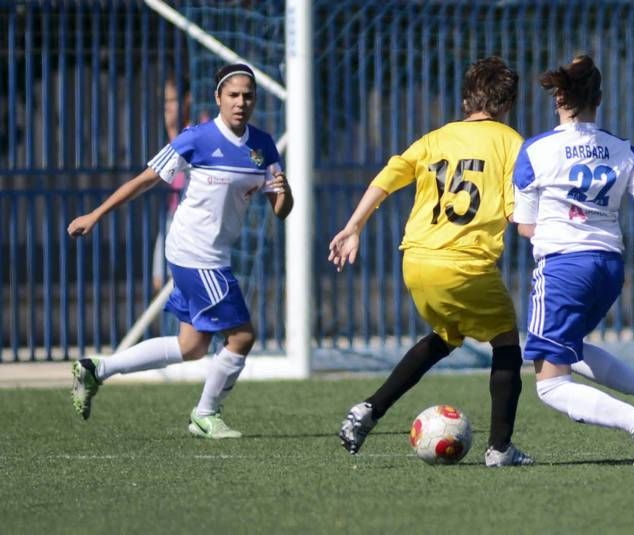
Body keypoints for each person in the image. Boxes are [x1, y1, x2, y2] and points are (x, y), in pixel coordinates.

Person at [68, 63, 293, 438]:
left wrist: (284, 192)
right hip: (194, 252)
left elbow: (281, 211)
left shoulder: (263, 145)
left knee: (191, 346)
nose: (241, 102)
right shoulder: (197, 138)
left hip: (213, 254)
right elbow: (144, 181)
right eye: (233, 95)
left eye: (248, 96)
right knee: (242, 337)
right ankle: (205, 414)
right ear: (218, 98)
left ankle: (96, 370)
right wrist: (96, 214)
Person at [330, 57, 533, 467]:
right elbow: (516, 213)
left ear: (465, 102)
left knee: (444, 336)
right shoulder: (513, 144)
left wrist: (354, 226)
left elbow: (388, 177)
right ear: (508, 102)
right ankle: (499, 450)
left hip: (417, 261)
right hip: (466, 265)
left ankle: (368, 410)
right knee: (507, 343)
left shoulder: (435, 138)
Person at [513, 55, 634, 466]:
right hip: (609, 267)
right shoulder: (625, 150)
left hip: (562, 268)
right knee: (569, 346)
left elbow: (524, 225)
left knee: (550, 385)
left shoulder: (536, 150)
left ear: (559, 96)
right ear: (601, 98)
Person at [152, 76, 192, 291]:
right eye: (164, 102)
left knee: (181, 282)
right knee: (161, 281)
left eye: (171, 101)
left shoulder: (196, 130)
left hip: (191, 219)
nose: (166, 107)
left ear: (187, 100)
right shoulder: (174, 132)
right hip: (173, 214)